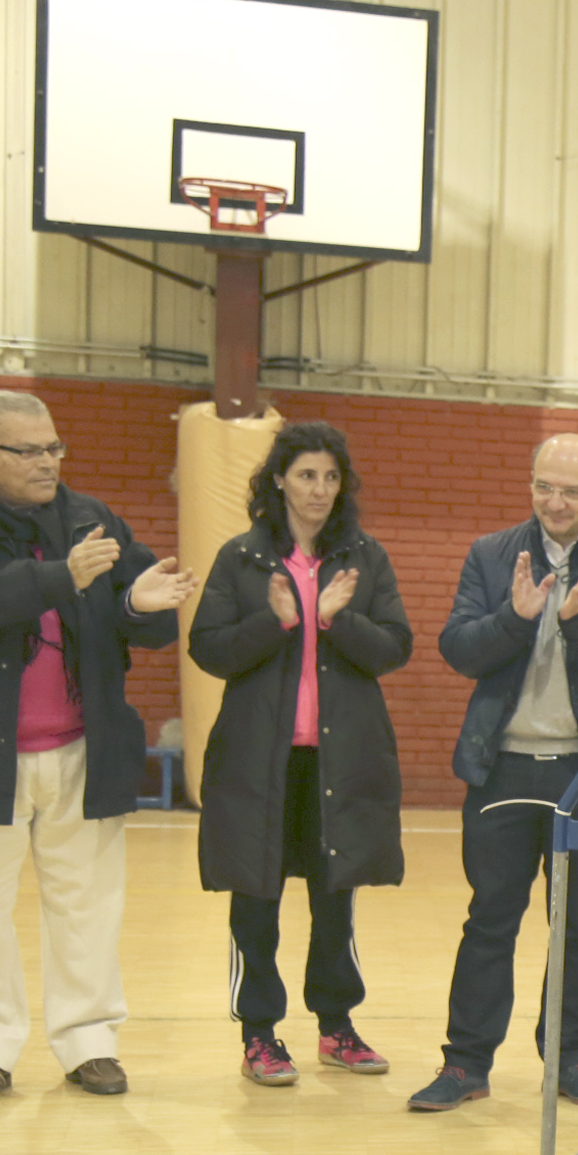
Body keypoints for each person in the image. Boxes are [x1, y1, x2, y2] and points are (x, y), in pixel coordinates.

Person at [0, 390, 198, 1103]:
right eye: (28, 450)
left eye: (54, 447)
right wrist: (64, 575)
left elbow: (141, 613)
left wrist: (141, 604)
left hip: (83, 751)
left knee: (88, 906)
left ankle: (89, 1042)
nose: (48, 462)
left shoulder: (92, 520)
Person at [410, 435, 578, 1114]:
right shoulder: (491, 555)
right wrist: (513, 619)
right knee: (490, 920)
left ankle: (568, 1059)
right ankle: (466, 1063)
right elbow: (458, 649)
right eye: (543, 487)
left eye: (572, 491)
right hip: (501, 769)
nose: (555, 502)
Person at [188, 422, 414, 1087]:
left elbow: (395, 646)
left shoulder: (364, 558)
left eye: (330, 477)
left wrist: (337, 618)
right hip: (258, 762)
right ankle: (259, 1034)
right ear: (279, 480)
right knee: (254, 901)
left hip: (339, 761)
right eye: (306, 475)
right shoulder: (241, 558)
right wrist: (278, 621)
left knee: (334, 899)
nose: (319, 489)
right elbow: (209, 648)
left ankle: (336, 1027)